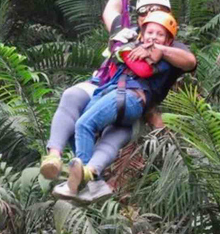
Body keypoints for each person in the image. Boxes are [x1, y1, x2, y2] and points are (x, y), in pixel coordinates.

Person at [40, 0, 197, 200]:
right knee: (73, 98)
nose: (151, 18)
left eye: (158, 12)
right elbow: (110, 11)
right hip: (105, 87)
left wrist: (161, 50)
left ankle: (87, 174)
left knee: (104, 129)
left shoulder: (170, 43)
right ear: (140, 15)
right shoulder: (128, 32)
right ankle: (63, 162)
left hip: (134, 100)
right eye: (146, 12)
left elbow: (189, 61)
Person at [59, 10, 180, 196]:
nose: (154, 37)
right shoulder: (135, 45)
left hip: (130, 97)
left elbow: (145, 69)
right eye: (150, 32)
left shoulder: (164, 57)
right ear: (142, 33)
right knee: (75, 129)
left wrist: (126, 49)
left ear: (168, 41)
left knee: (84, 124)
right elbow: (110, 12)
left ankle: (81, 175)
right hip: (113, 94)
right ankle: (96, 184)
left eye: (160, 34)